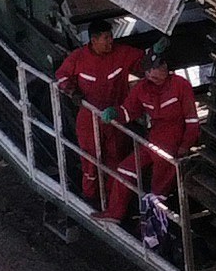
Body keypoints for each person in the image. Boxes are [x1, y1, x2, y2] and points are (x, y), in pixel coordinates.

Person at [54, 17, 145, 215]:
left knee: (116, 159)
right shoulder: (78, 58)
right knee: (90, 160)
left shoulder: (122, 54)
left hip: (114, 118)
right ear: (93, 40)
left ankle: (114, 203)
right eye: (105, 38)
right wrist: (72, 91)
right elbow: (61, 76)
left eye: (111, 37)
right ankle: (91, 198)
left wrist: (156, 53)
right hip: (89, 118)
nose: (110, 41)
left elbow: (143, 62)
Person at [122, 45, 202, 251]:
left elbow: (192, 121)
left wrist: (184, 146)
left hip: (171, 146)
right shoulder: (143, 88)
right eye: (148, 70)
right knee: (125, 169)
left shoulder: (180, 85)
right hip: (154, 141)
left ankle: (155, 239)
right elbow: (129, 111)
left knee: (158, 195)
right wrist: (115, 113)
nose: (152, 73)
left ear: (165, 67)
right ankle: (116, 213)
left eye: (156, 68)